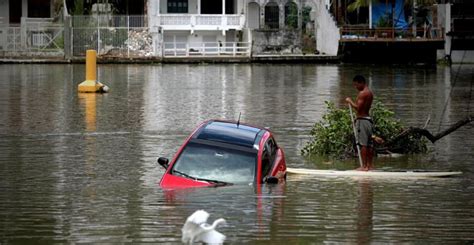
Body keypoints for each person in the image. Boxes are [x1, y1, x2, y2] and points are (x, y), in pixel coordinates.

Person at [345, 75, 375, 171]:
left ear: (361, 82)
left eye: (356, 85)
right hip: (367, 120)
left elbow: (358, 107)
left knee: (363, 144)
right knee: (369, 144)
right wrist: (356, 118)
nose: (356, 87)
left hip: (362, 121)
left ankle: (364, 167)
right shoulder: (369, 93)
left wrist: (350, 101)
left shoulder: (363, 93)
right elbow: (362, 110)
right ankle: (369, 166)